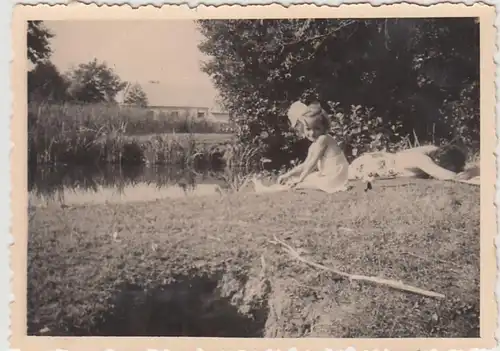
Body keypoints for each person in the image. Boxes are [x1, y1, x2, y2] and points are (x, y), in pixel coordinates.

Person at [253, 101, 350, 194]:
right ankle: (270, 188)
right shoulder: (314, 145)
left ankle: (266, 191)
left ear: (324, 128)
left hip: (336, 177)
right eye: (308, 129)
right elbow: (305, 164)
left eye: (317, 128)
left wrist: (301, 179)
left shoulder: (323, 139)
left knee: (298, 184)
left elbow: (312, 164)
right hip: (330, 175)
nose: (312, 133)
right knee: (297, 179)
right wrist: (288, 174)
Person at [348, 143, 479, 185]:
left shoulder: (429, 149)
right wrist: (473, 172)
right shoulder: (421, 159)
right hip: (369, 166)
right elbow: (451, 176)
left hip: (370, 159)